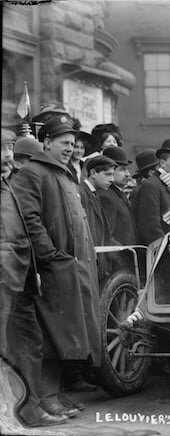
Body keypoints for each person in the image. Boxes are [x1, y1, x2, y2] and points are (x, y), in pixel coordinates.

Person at [11, 115, 100, 417]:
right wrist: (49, 255)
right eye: (64, 143)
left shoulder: (64, 174)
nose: (70, 148)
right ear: (46, 142)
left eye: (73, 144)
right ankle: (45, 396)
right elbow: (29, 218)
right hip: (50, 270)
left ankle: (55, 393)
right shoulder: (32, 173)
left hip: (72, 269)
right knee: (51, 335)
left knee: (68, 333)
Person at [1, 129, 65, 428]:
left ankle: (29, 408)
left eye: (9, 148)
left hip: (20, 281)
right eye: (2, 149)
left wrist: (31, 271)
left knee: (29, 343)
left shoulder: (8, 184)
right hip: (4, 283)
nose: (6, 156)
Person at [135, 139, 170, 245]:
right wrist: (165, 250)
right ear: (162, 163)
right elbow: (150, 226)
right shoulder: (151, 185)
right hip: (162, 252)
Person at [99, 147, 137, 245]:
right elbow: (107, 238)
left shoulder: (119, 194)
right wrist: (120, 259)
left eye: (127, 169)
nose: (128, 174)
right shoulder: (105, 197)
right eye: (122, 169)